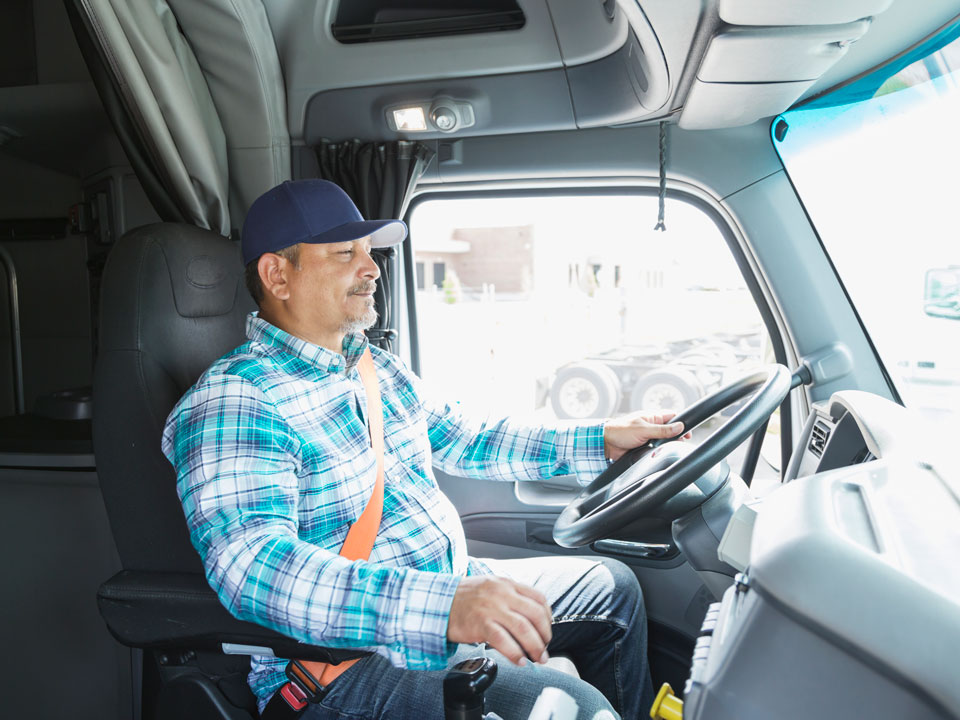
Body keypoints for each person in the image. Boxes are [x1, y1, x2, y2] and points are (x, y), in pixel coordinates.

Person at [162, 179, 687, 720]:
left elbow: (470, 437)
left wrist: (602, 439)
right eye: (346, 253)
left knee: (610, 588)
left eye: (369, 252)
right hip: (345, 666)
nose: (372, 269)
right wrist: (444, 608)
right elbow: (254, 566)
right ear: (278, 275)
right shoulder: (236, 400)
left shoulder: (372, 366)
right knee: (578, 707)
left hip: (446, 585)